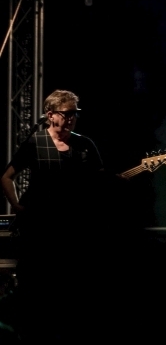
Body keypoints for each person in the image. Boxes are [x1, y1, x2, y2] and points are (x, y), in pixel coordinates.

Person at [1, 90, 104, 236]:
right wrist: (17, 207)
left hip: (75, 222)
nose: (72, 118)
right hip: (39, 223)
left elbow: (101, 179)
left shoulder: (85, 144)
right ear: (50, 115)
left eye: (75, 113)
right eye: (67, 113)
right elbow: (6, 177)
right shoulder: (35, 142)